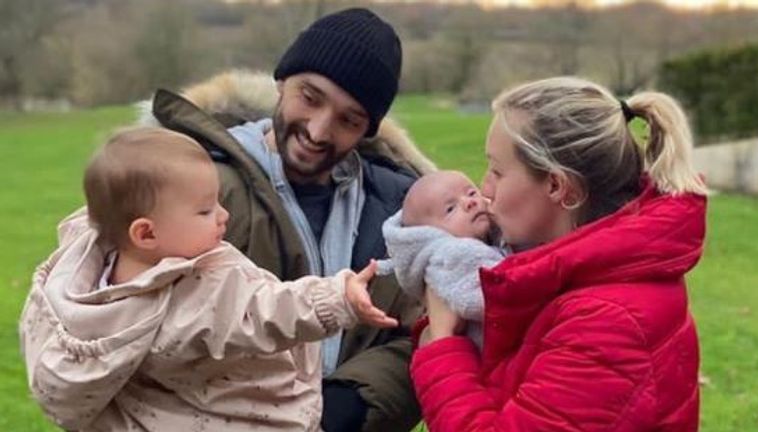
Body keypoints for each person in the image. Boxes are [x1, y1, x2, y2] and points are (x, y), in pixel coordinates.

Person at [142, 7, 432, 431]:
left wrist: (351, 402)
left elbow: (425, 332)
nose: (318, 131)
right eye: (310, 98)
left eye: (348, 120)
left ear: (369, 130)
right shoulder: (194, 186)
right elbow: (131, 323)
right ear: (281, 82)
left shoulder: (401, 208)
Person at [19, 127, 399, 431]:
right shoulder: (195, 295)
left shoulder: (87, 282)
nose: (222, 216)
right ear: (146, 234)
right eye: (204, 209)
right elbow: (266, 311)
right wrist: (338, 298)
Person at [411, 77, 707, 431]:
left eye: (497, 171)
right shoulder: (577, 278)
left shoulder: (605, 324)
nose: (485, 189)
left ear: (557, 186)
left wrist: (442, 345)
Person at [379, 170, 505, 347]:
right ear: (429, 234)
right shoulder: (451, 256)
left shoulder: (491, 236)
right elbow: (490, 298)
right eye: (450, 209)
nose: (469, 203)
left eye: (471, 193)